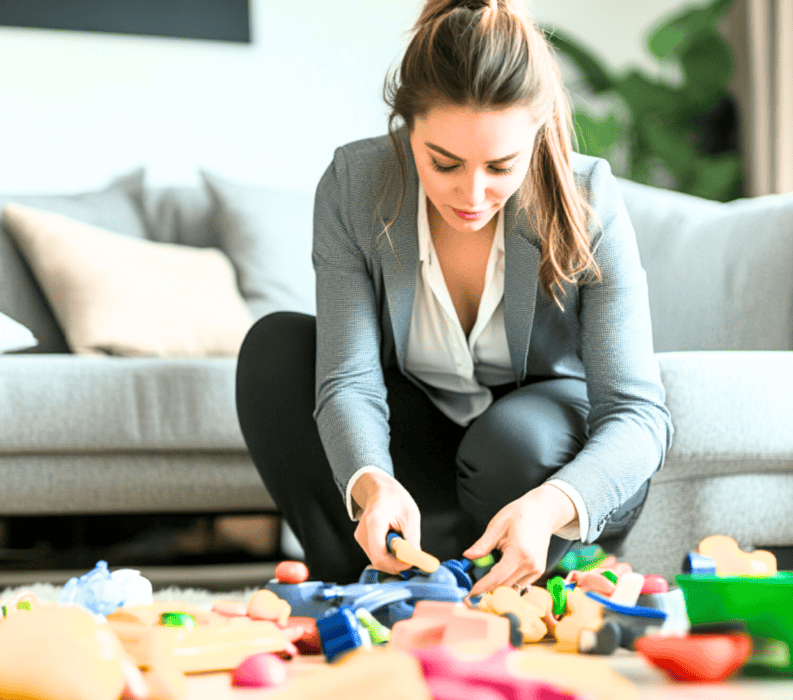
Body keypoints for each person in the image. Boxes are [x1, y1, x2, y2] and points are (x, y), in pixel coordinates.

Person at [236, 0, 673, 597]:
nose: (472, 194)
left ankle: (542, 570)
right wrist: (371, 482)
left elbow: (639, 416)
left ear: (538, 131)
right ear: (407, 127)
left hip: (537, 467)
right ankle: (372, 577)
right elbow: (350, 382)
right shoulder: (352, 186)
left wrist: (551, 506)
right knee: (276, 349)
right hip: (424, 453)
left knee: (512, 444)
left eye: (501, 166)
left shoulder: (587, 192)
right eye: (444, 163)